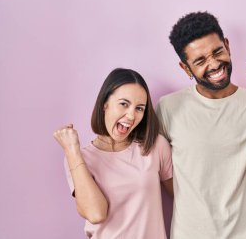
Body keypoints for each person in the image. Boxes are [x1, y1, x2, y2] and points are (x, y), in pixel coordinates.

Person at [155, 12, 246, 239]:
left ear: (227, 46)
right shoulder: (169, 107)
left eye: (217, 51)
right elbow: (159, 170)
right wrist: (193, 203)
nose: (214, 64)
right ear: (185, 68)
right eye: (200, 61)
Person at [53, 68, 173, 239]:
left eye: (139, 108)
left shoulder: (155, 146)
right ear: (105, 104)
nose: (131, 116)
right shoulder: (80, 158)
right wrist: (72, 150)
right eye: (124, 104)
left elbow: (183, 196)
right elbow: (96, 214)